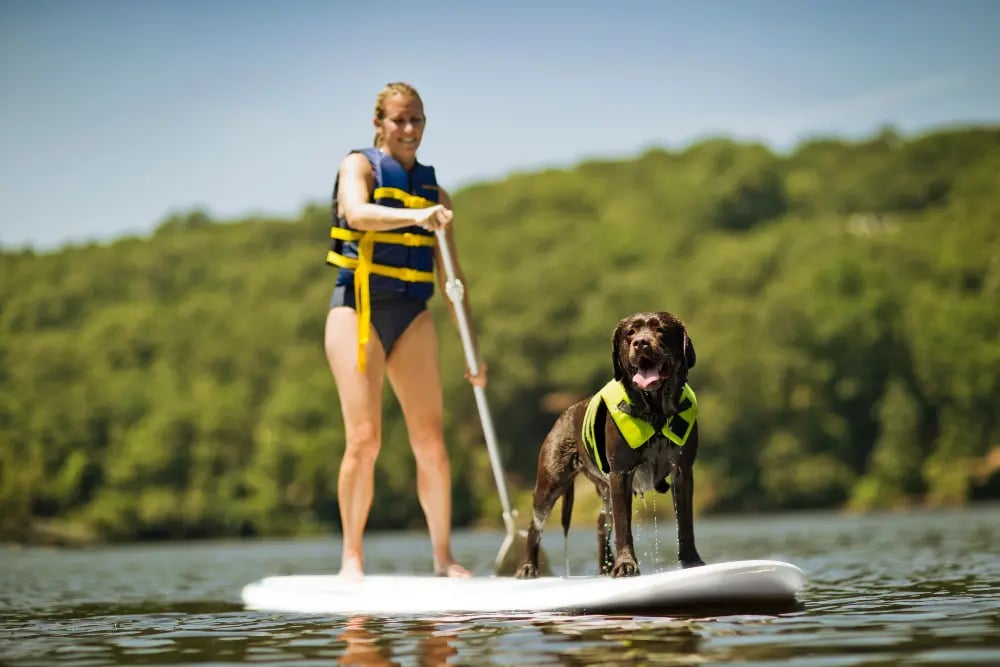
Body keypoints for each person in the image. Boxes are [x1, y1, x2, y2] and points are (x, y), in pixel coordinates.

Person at [324, 82, 485, 579]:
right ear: (380, 123)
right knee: (365, 440)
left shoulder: (436, 195)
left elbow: (452, 281)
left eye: (416, 120)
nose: (409, 129)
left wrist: (473, 353)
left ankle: (443, 557)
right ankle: (351, 556)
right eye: (399, 120)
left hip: (412, 314)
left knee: (431, 442)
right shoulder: (360, 167)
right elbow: (357, 212)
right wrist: (419, 215)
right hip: (359, 310)